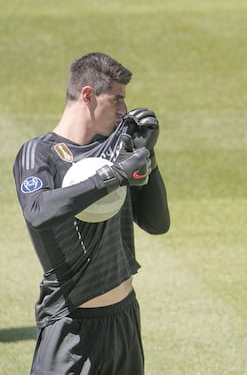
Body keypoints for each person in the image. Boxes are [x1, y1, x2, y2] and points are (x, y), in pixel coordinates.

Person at [13, 52, 170, 375]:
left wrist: (146, 157)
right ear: (88, 95)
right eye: (117, 99)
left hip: (123, 319)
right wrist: (113, 176)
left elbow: (157, 224)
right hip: (71, 327)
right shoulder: (39, 153)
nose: (124, 110)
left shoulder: (116, 148)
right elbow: (39, 211)